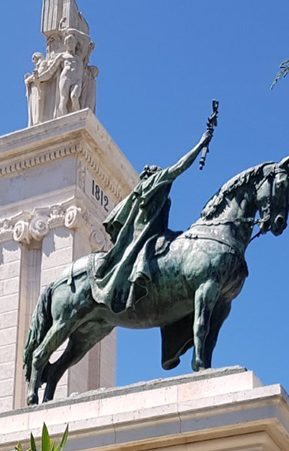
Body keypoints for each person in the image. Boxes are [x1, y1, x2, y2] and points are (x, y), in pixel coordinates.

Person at [90, 108, 218, 314]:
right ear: (151, 176)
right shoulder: (153, 184)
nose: (161, 173)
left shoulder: (149, 188)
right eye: (157, 172)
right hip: (146, 236)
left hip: (155, 235)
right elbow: (180, 166)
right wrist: (201, 144)